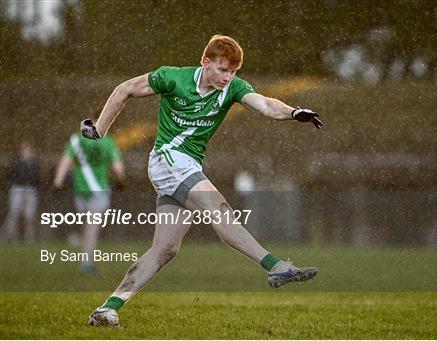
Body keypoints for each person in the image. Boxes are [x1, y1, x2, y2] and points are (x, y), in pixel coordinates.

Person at [84, 35, 321, 327]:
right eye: (223, 70)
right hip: (168, 159)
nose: (228, 77)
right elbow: (125, 89)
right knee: (219, 210)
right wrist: (99, 129)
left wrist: (293, 112)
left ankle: (108, 308)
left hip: (185, 166)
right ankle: (275, 266)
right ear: (205, 62)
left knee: (165, 250)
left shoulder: (233, 88)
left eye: (233, 71)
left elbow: (265, 104)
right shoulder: (173, 77)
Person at [53, 120, 125, 273]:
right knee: (92, 227)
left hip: (80, 189)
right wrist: (121, 180)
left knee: (86, 225)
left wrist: (58, 181)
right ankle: (86, 263)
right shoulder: (108, 142)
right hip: (99, 189)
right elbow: (118, 168)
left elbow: (66, 160)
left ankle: (85, 255)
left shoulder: (77, 140)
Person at [1, 141, 40, 243]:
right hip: (17, 189)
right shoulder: (15, 162)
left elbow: (36, 178)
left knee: (29, 216)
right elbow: (9, 176)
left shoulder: (34, 163)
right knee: (14, 214)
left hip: (30, 189)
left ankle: (29, 238)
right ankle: (13, 238)